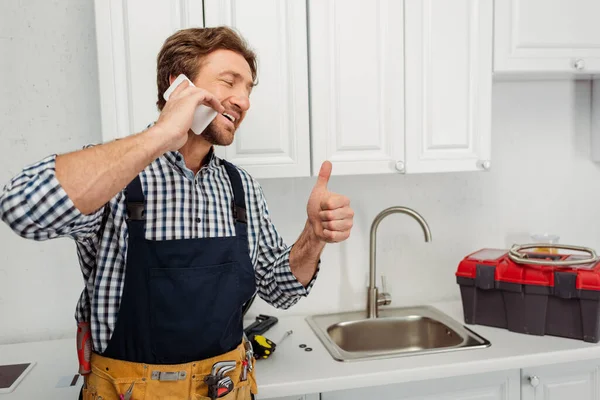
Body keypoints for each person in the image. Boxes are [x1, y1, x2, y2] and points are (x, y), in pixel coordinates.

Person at [0, 26, 354, 399]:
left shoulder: (241, 187)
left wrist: (314, 237)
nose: (244, 101)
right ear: (178, 85)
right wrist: (164, 132)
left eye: (248, 89)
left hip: (229, 387)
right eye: (229, 82)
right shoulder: (116, 175)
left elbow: (277, 289)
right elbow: (22, 208)